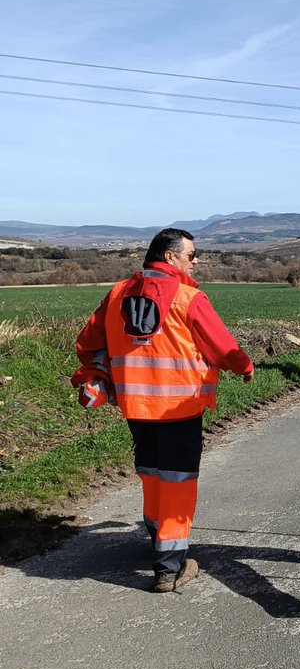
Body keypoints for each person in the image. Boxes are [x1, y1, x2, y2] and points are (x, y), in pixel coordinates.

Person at [71, 228, 254, 592]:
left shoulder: (117, 293)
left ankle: (156, 539)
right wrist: (245, 366)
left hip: (135, 406)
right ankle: (169, 566)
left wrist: (97, 376)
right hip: (179, 407)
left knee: (151, 472)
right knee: (177, 481)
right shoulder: (189, 297)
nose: (196, 260)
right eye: (191, 254)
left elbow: (88, 342)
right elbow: (220, 345)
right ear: (170, 257)